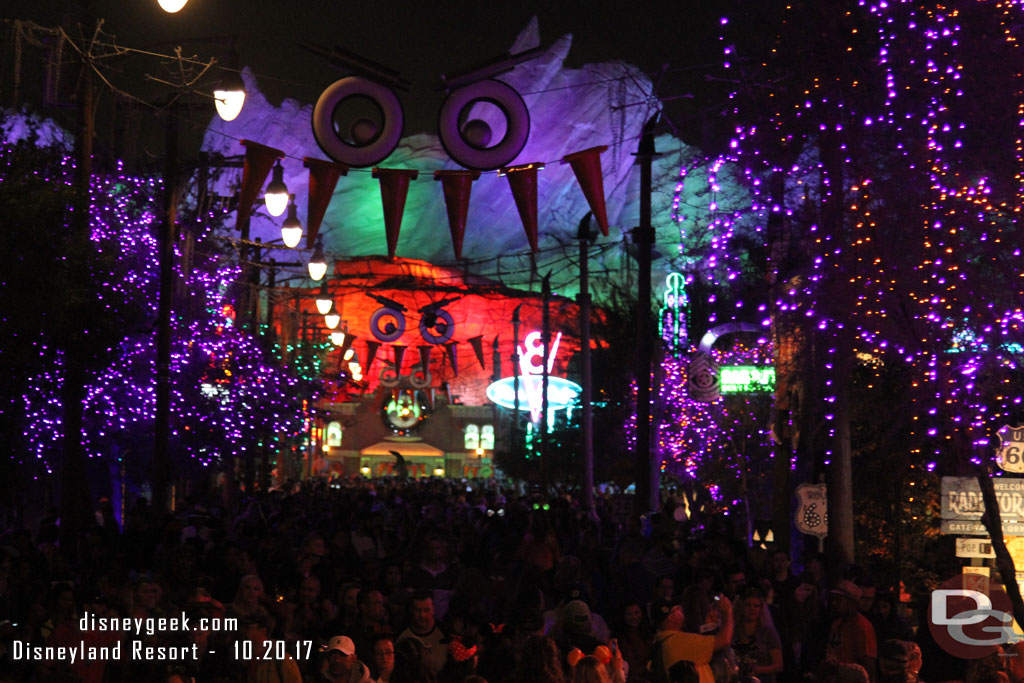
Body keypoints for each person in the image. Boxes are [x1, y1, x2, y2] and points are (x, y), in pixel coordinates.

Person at [651, 594, 734, 683]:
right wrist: (727, 611)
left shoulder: (661, 641)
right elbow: (724, 639)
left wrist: (708, 626)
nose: (682, 610)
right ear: (670, 617)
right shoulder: (679, 642)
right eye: (678, 608)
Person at [826, 580, 877, 682]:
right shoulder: (836, 624)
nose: (834, 603)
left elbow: (868, 665)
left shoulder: (862, 627)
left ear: (852, 603)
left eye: (839, 600)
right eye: (834, 599)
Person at [732, 588, 783, 683]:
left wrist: (759, 670)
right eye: (748, 605)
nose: (752, 609)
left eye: (756, 606)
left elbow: (779, 665)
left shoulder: (768, 632)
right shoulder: (732, 630)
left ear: (761, 609)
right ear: (741, 607)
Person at [398, 591, 448, 674]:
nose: (422, 615)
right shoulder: (403, 635)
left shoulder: (445, 632)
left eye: (426, 610)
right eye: (418, 610)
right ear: (411, 610)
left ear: (433, 610)